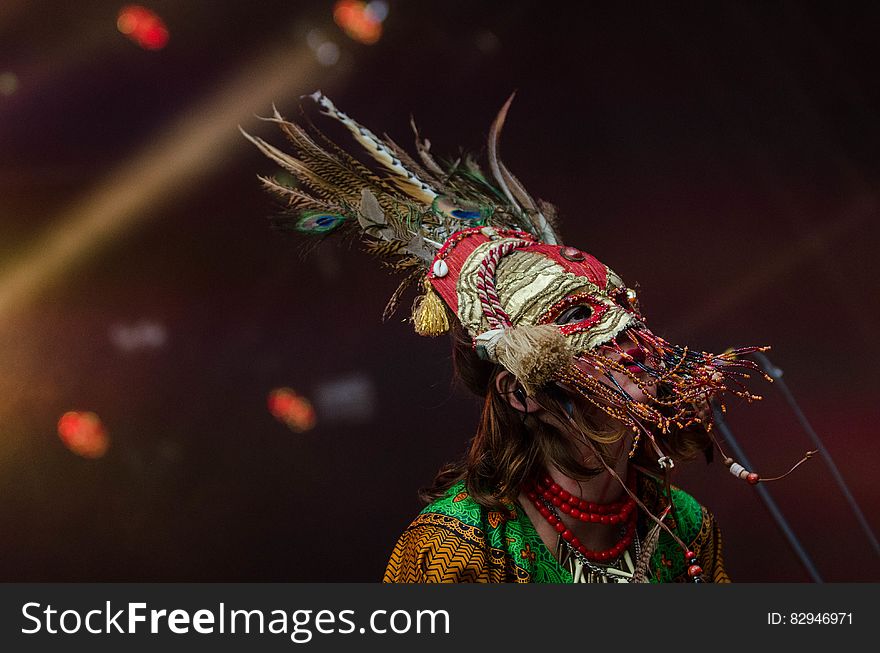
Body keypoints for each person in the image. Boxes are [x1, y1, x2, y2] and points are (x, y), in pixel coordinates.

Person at [244, 92, 786, 583]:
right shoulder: (456, 548)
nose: (630, 339)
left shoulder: (685, 526)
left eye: (626, 314)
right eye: (586, 325)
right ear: (521, 392)